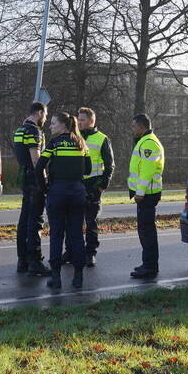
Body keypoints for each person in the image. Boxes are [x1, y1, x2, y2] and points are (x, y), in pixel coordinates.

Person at [35, 112, 91, 290]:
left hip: (57, 193)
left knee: (57, 235)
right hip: (77, 192)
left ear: (63, 126)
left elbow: (39, 168)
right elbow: (88, 169)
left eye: (53, 124)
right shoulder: (81, 143)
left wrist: (45, 189)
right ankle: (78, 277)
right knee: (76, 235)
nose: (50, 126)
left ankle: (56, 278)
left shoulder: (54, 143)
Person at [12, 103, 51, 276]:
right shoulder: (34, 131)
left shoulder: (20, 129)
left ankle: (23, 260)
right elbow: (36, 159)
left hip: (24, 177)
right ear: (40, 112)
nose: (46, 118)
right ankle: (35, 261)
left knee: (24, 220)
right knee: (35, 221)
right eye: (46, 114)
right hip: (34, 179)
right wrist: (43, 182)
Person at [128, 114, 165, 279]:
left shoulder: (149, 142)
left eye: (134, 126)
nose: (133, 129)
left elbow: (147, 170)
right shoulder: (146, 141)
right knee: (146, 230)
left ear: (141, 126)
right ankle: (148, 264)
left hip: (147, 195)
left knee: (147, 232)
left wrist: (139, 192)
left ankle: (150, 267)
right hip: (147, 194)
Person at [78, 107, 114, 267]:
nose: (79, 122)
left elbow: (110, 165)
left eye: (82, 120)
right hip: (77, 185)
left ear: (91, 121)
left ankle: (90, 253)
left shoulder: (102, 138)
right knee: (73, 222)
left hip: (93, 185)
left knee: (91, 222)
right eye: (78, 120)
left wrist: (101, 186)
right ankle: (72, 252)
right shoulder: (75, 137)